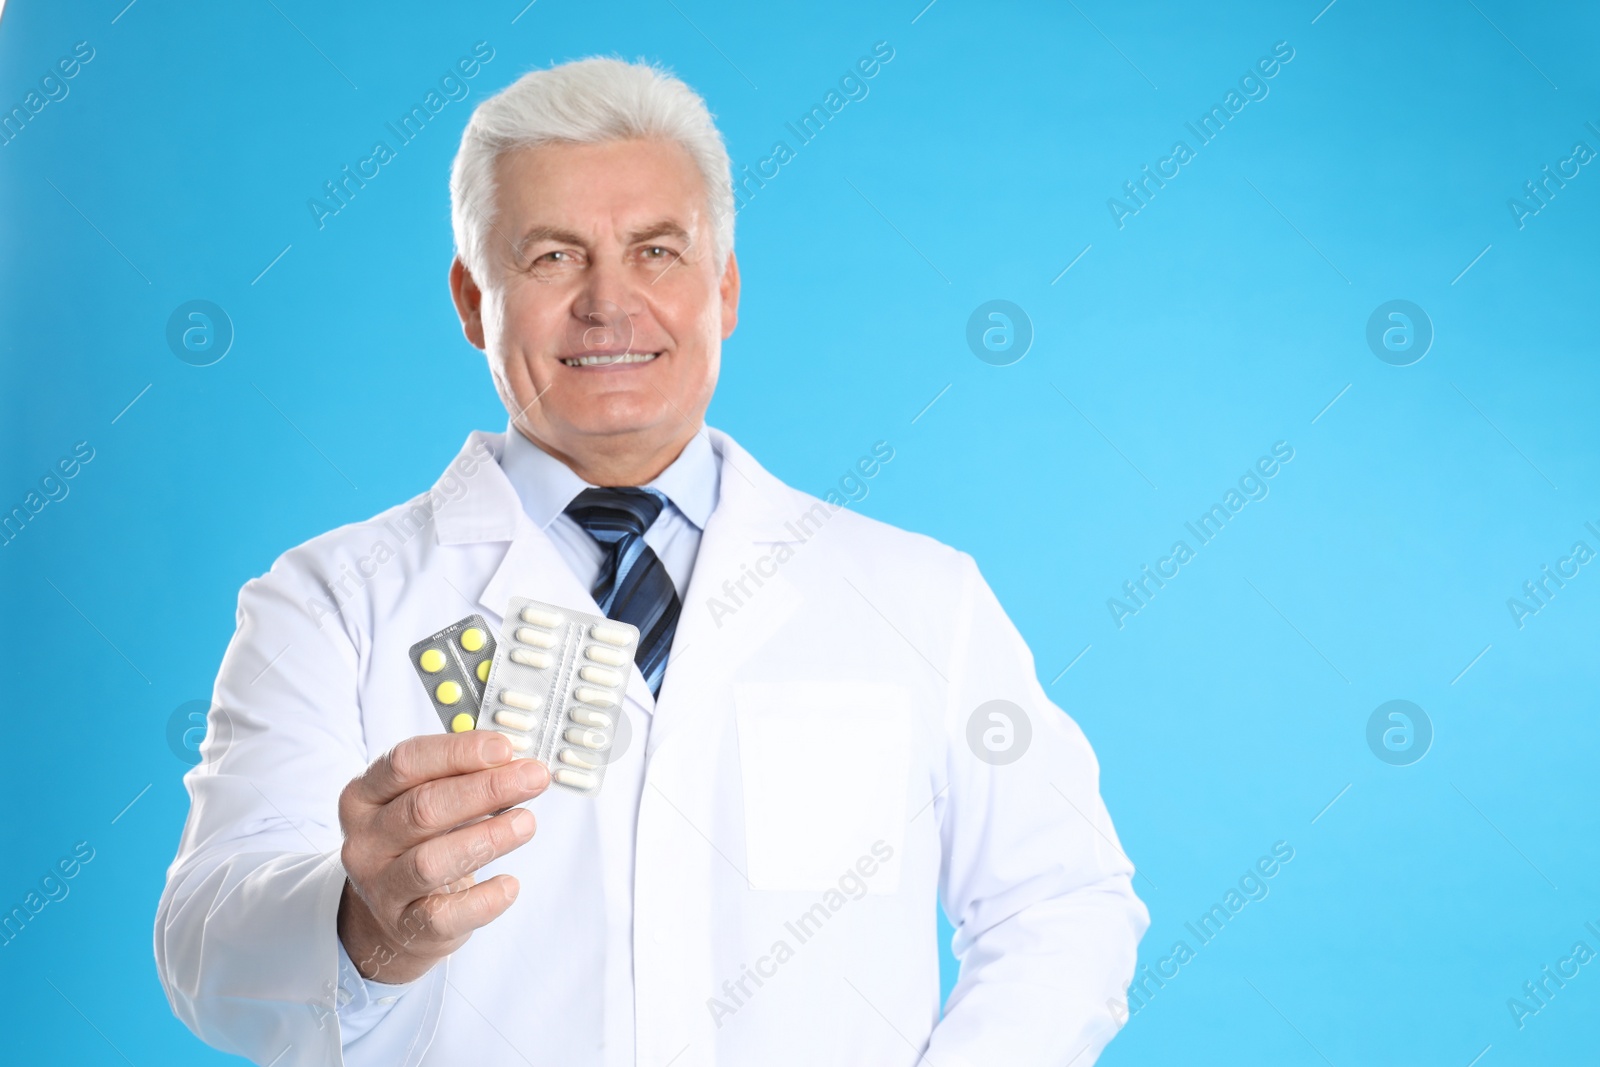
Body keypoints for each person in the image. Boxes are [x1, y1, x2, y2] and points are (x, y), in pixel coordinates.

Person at [154, 56, 1148, 1067]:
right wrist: (365, 925)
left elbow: (1063, 900)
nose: (608, 303)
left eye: (657, 252)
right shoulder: (331, 602)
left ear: (723, 289)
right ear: (471, 299)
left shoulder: (919, 597)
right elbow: (204, 944)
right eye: (551, 257)